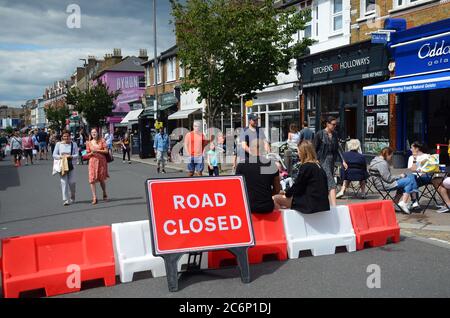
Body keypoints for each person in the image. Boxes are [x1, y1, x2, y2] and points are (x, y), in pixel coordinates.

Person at [273, 141, 330, 213]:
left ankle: (282, 222)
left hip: (310, 204)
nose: (298, 154)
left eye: (298, 151)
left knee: (275, 199)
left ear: (303, 152)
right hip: (322, 203)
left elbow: (298, 186)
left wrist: (286, 193)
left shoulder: (306, 166)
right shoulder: (318, 166)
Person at [235, 139, 280, 213]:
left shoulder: (241, 165)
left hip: (248, 206)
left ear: (250, 149)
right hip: (267, 206)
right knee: (278, 205)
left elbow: (237, 189)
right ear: (263, 149)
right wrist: (266, 194)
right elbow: (277, 190)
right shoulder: (272, 165)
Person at [369, 147, 418, 214]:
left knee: (405, 182)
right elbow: (388, 179)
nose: (391, 158)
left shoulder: (374, 161)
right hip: (385, 185)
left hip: (379, 184)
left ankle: (395, 204)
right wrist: (399, 176)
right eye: (391, 156)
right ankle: (404, 202)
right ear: (387, 154)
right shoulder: (382, 163)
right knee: (409, 181)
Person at [313, 116, 348, 206]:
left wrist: (343, 161)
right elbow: (313, 149)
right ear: (327, 124)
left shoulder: (335, 134)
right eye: (333, 124)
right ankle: (334, 206)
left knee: (325, 182)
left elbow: (338, 149)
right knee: (331, 182)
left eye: (336, 124)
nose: (334, 126)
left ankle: (323, 203)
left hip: (331, 160)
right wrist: (315, 160)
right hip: (322, 160)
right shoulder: (319, 134)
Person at [53, 130, 78, 206]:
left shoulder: (74, 144)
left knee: (72, 182)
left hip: (71, 165)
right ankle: (65, 199)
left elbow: (77, 154)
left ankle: (72, 195)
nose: (66, 137)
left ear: (70, 136)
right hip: (62, 165)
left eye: (67, 136)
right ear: (62, 137)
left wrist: (71, 156)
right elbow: (54, 155)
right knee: (64, 182)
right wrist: (61, 157)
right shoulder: (58, 144)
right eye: (64, 136)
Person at [86, 128, 110, 205]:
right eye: (92, 132)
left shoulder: (102, 140)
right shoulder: (89, 142)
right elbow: (87, 154)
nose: (93, 133)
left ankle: (104, 192)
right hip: (92, 162)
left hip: (101, 162)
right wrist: (91, 154)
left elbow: (106, 151)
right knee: (92, 179)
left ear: (97, 133)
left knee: (101, 179)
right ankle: (94, 197)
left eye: (95, 132)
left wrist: (97, 151)